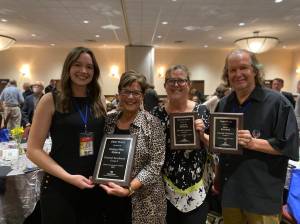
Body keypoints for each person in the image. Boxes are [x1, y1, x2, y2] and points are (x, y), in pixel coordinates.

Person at [216, 49, 299, 224]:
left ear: (254, 71)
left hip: (262, 197)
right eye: (232, 70)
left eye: (243, 68)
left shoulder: (278, 103)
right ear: (227, 74)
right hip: (231, 193)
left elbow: (289, 146)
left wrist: (254, 143)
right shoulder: (224, 104)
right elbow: (220, 147)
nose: (238, 74)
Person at [27, 47, 106, 224]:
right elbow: (33, 150)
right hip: (59, 187)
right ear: (68, 67)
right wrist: (68, 177)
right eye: (78, 65)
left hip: (93, 186)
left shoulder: (99, 100)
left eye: (89, 67)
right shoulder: (50, 99)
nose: (84, 71)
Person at [100, 70, 166, 224]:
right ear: (118, 94)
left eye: (136, 93)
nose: (130, 97)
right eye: (126, 92)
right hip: (111, 197)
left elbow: (155, 165)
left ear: (142, 96)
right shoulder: (108, 120)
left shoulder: (153, 123)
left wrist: (129, 189)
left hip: (145, 201)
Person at [152, 65, 216, 224]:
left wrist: (202, 135)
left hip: (196, 188)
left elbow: (215, 148)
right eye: (171, 81)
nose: (175, 85)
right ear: (165, 85)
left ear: (189, 84)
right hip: (164, 188)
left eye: (180, 80)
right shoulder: (156, 113)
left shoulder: (202, 111)